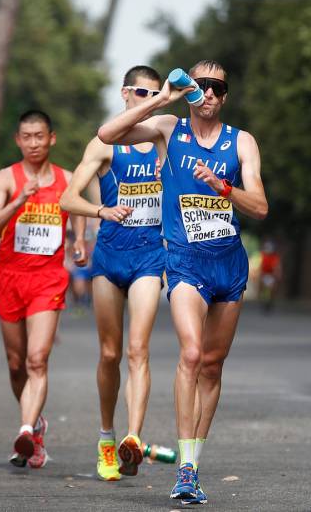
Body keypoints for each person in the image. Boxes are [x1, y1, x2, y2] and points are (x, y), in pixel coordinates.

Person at [97, 60, 268, 504]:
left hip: (229, 263)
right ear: (190, 88)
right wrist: (163, 99)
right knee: (191, 354)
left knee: (212, 364)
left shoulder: (242, 142)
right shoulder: (170, 129)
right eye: (200, 85)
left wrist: (223, 187)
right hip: (185, 261)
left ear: (225, 96)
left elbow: (261, 206)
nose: (207, 93)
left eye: (216, 87)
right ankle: (186, 474)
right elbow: (107, 136)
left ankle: (192, 460)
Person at [60, 65, 167, 482]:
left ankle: (133, 438)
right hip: (110, 256)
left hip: (148, 257)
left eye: (156, 95)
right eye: (142, 93)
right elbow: (68, 198)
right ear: (125, 94)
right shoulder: (104, 145)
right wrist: (101, 211)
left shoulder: (163, 140)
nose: (149, 101)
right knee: (110, 353)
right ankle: (106, 437)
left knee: (139, 350)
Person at [0, 110, 86, 468]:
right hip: (10, 277)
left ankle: (25, 431)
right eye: (27, 137)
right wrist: (18, 201)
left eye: (40, 136)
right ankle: (36, 424)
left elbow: (79, 207)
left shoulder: (66, 179)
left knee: (36, 359)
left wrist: (81, 239)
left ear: (51, 138)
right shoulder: (5, 178)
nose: (34, 143)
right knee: (15, 364)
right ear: (18, 140)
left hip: (48, 278)